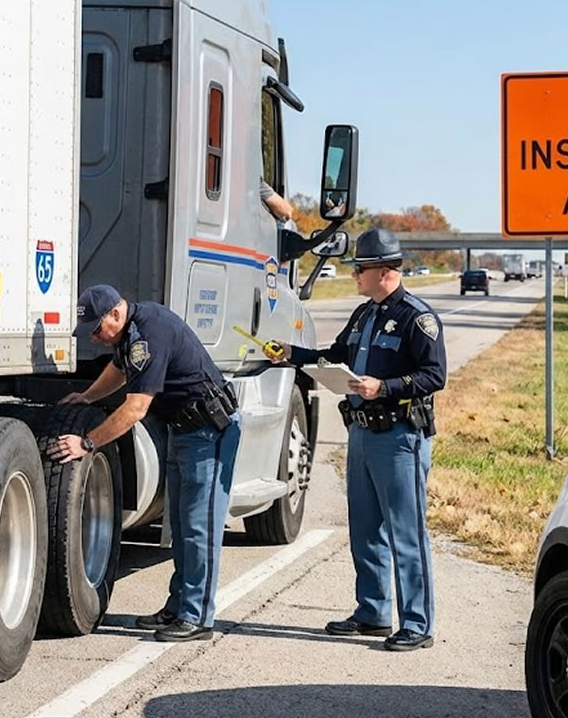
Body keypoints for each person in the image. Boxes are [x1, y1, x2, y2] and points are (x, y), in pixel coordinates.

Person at [269, 228, 447, 651]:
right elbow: (336, 355)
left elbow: (434, 375)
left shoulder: (416, 318)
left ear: (384, 271)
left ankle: (417, 624)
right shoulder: (365, 315)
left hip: (400, 438)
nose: (354, 276)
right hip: (363, 434)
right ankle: (373, 612)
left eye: (360, 269)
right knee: (365, 529)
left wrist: (383, 387)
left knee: (406, 533)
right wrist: (292, 354)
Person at [47, 284, 240, 643]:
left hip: (208, 433)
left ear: (115, 314)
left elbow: (135, 408)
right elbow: (118, 369)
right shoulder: (131, 332)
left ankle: (197, 617)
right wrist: (88, 396)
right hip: (184, 430)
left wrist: (87, 443)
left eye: (96, 329)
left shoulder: (150, 332)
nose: (93, 338)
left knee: (199, 528)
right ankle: (179, 606)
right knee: (181, 525)